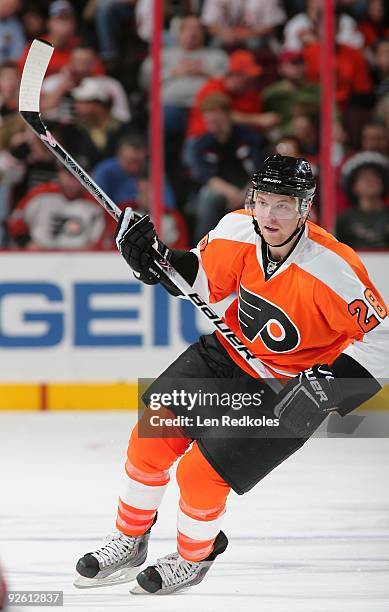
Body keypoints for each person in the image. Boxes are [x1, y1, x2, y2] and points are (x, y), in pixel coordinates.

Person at [74, 155, 389, 595]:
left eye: (284, 204)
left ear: (304, 208)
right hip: (231, 356)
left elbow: (382, 341)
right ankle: (130, 538)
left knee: (200, 475)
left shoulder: (334, 268)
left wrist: (326, 387)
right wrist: (155, 260)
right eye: (263, 202)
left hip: (292, 390)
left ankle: (194, 557)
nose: (271, 215)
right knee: (152, 434)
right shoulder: (236, 228)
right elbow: (199, 279)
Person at [187, 92, 265, 242]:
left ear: (227, 115)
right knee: (209, 196)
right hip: (221, 190)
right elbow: (206, 177)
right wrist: (232, 193)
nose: (211, 122)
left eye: (216, 118)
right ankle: (204, 244)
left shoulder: (248, 137)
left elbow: (259, 170)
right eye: (208, 119)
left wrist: (245, 193)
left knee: (262, 197)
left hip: (249, 188)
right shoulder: (201, 144)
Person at [139, 15, 228, 136]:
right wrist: (174, 72)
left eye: (197, 29)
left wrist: (205, 73)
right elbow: (145, 80)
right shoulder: (162, 55)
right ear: (179, 33)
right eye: (188, 29)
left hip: (206, 107)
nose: (193, 33)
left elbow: (229, 82)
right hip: (170, 104)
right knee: (159, 125)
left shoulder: (217, 55)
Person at [336, 151, 389, 248]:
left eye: (376, 176)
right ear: (353, 187)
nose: (371, 180)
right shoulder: (344, 220)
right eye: (364, 177)